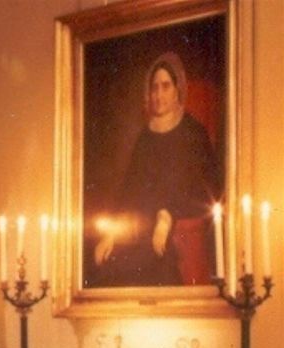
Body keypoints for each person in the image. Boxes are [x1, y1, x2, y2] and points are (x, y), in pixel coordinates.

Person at [92, 51, 222, 287]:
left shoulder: (193, 132)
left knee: (161, 267)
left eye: (165, 86)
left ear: (177, 90)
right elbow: (128, 191)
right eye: (154, 88)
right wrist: (111, 233)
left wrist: (168, 215)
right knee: (108, 269)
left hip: (175, 232)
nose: (159, 95)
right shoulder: (145, 137)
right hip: (140, 232)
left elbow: (208, 191)